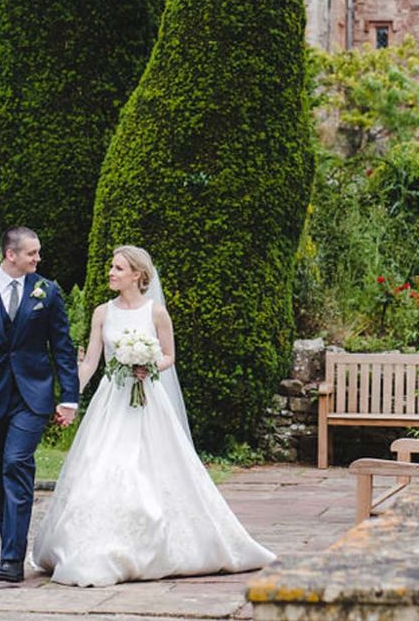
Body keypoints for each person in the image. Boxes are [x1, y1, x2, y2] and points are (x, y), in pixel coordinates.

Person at [32, 244, 276, 586]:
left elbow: (169, 356)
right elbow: (90, 363)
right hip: (111, 402)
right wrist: (70, 396)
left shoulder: (156, 312)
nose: (111, 273)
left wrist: (148, 363)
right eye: (111, 268)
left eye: (118, 268)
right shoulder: (103, 312)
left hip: (148, 401)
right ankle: (89, 545)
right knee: (101, 466)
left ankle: (165, 544)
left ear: (138, 275)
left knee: (154, 468)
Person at [0, 225, 79, 584]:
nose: (38, 259)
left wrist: (69, 397)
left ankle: (11, 559)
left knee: (15, 463)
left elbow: (63, 348)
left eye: (38, 253)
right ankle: (11, 546)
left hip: (32, 395)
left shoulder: (47, 293)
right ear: (11, 255)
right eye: (32, 254)